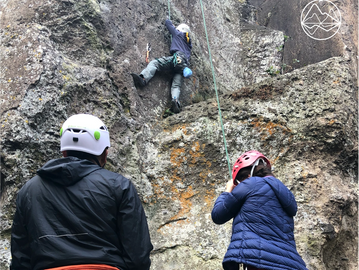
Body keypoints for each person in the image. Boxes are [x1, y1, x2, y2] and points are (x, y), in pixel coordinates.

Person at [10, 114, 153, 270]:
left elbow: (21, 259)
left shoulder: (28, 191)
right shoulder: (119, 186)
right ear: (104, 154)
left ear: (64, 152)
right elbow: (138, 255)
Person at [211, 150, 307, 270]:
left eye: (240, 180)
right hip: (291, 264)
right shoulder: (284, 192)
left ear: (248, 175)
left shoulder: (250, 183)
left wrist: (228, 190)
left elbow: (218, 215)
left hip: (258, 262)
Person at [131, 18, 193, 114]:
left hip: (176, 59)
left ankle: (143, 79)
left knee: (155, 63)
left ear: (180, 29)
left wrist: (168, 19)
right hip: (183, 65)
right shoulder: (188, 45)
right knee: (176, 85)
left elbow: (168, 24)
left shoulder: (178, 34)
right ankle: (175, 101)